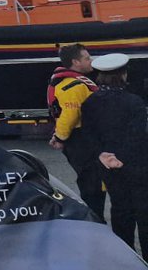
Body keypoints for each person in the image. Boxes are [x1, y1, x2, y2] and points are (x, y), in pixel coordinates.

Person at [81, 53, 148, 254]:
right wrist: (122, 158)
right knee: (144, 213)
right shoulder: (134, 102)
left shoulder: (90, 103)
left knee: (120, 211)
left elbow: (88, 134)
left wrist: (104, 155)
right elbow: (137, 135)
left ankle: (125, 257)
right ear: (124, 75)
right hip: (137, 166)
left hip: (108, 167)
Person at [47, 44, 105, 219]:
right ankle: (94, 218)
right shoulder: (73, 86)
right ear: (75, 62)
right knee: (91, 183)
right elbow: (70, 114)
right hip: (81, 139)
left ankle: (94, 216)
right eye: (86, 58)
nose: (91, 61)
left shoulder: (71, 82)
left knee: (92, 181)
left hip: (82, 138)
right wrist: (59, 137)